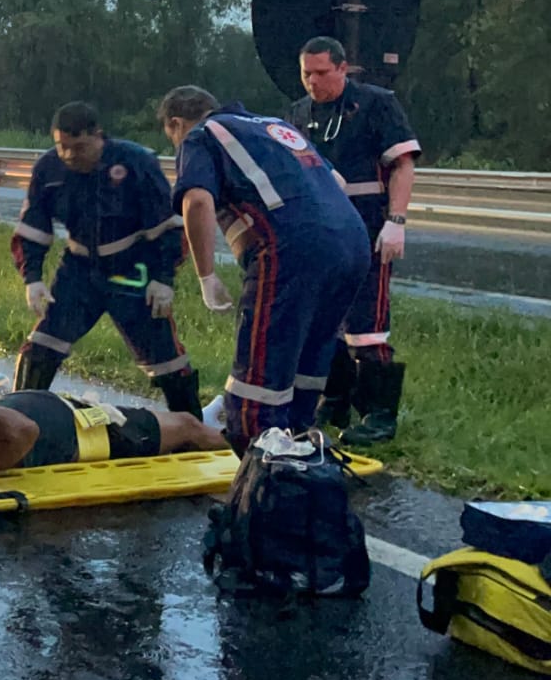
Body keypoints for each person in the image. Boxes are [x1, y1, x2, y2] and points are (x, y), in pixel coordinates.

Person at [159, 85, 369, 456]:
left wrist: (206, 276)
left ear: (175, 123)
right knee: (308, 361)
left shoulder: (201, 136)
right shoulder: (274, 126)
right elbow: (337, 182)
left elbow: (197, 201)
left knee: (258, 382)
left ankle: (261, 470)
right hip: (353, 242)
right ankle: (300, 456)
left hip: (291, 249)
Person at [10, 102, 199, 414]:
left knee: (165, 359)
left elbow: (168, 227)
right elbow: (33, 228)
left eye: (79, 147)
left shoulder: (136, 162)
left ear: (98, 136)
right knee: (43, 346)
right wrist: (32, 278)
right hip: (79, 269)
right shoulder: (49, 168)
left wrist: (163, 279)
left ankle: (192, 429)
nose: (69, 155)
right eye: (62, 146)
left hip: (133, 269)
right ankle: (18, 417)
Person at [287, 36, 421, 445]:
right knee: (324, 320)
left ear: (343, 69)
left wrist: (396, 221)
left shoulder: (376, 104)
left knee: (366, 324)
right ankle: (336, 398)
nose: (313, 81)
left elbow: (402, 164)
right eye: (306, 74)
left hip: (367, 227)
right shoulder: (298, 113)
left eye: (322, 73)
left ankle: (379, 414)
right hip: (321, 232)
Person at [0, 388, 230, 478]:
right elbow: (25, 429)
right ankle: (238, 442)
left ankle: (203, 426)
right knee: (187, 426)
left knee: (181, 422)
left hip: (77, 410)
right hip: (92, 434)